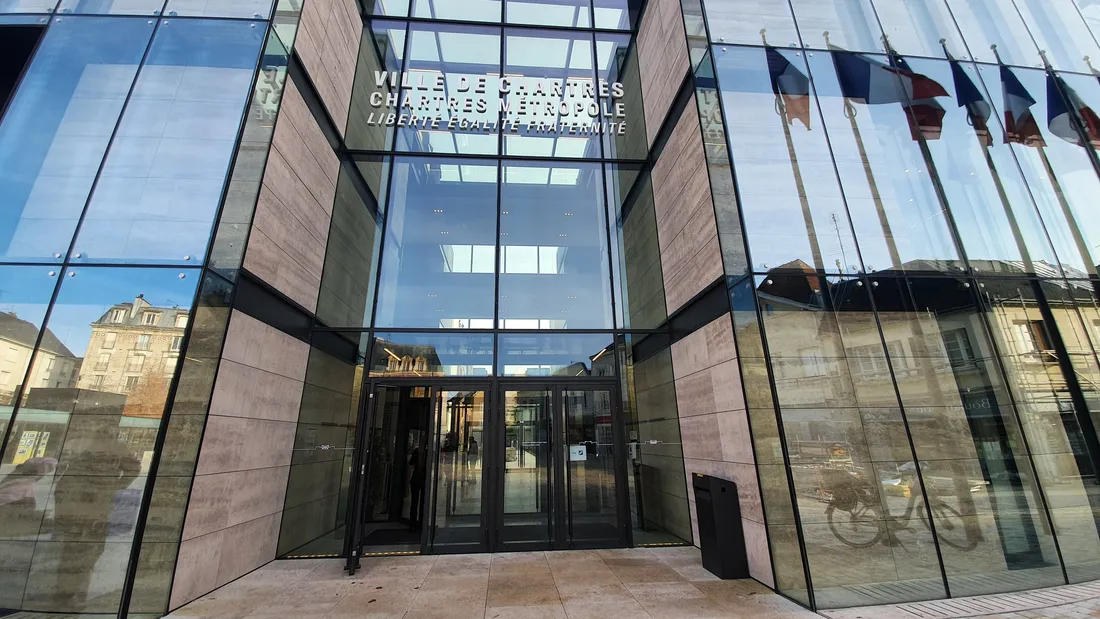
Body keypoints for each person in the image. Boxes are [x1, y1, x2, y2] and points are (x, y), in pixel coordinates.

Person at [408, 445, 425, 527]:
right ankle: (416, 521)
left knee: (416, 502)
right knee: (417, 502)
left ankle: (414, 522)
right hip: (419, 480)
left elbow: (411, 462)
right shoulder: (418, 451)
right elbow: (411, 462)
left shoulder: (418, 451)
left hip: (418, 480)